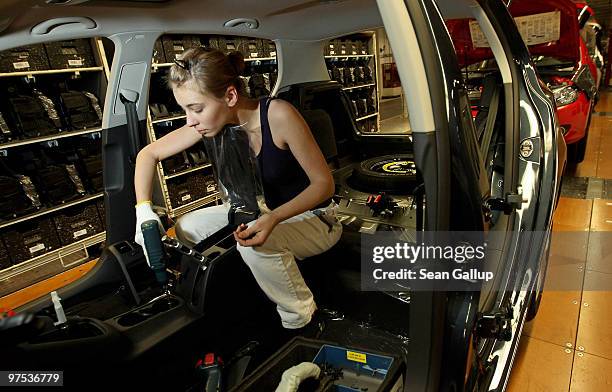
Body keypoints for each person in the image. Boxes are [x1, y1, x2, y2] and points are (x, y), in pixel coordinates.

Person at [134, 47, 342, 331]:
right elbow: (148, 155)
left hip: (316, 219)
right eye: (185, 110)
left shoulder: (278, 115)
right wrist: (143, 211)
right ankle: (242, 292)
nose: (190, 120)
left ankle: (302, 319)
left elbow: (324, 184)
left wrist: (274, 218)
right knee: (188, 227)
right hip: (260, 210)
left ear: (230, 96)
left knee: (256, 246)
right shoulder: (211, 122)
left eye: (196, 109)